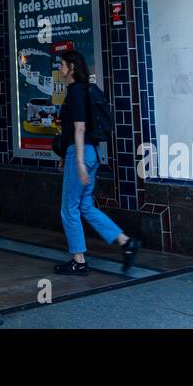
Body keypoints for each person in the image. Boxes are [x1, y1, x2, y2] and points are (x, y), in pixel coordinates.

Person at [52, 49, 139, 276]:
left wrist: (78, 162)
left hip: (80, 154)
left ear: (71, 68)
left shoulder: (76, 92)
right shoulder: (85, 91)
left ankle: (78, 261)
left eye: (62, 65)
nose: (59, 69)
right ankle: (125, 242)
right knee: (86, 206)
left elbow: (79, 127)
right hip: (92, 153)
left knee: (69, 208)